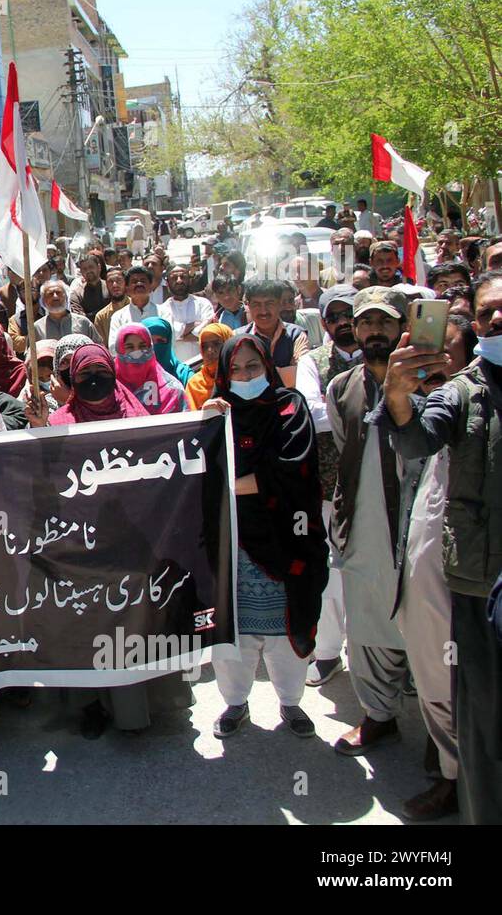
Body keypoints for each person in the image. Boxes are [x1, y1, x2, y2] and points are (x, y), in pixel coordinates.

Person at [373, 269, 502, 823]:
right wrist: (399, 399)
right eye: (487, 311)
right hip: (479, 589)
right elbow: (417, 434)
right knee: (486, 730)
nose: (497, 318)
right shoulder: (465, 393)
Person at [204, 334, 328, 740]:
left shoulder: (290, 406)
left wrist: (234, 486)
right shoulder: (216, 413)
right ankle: (235, 703)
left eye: (253, 367)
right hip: (233, 544)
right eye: (235, 369)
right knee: (235, 633)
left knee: (282, 629)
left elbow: (292, 469)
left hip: (285, 539)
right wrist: (204, 425)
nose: (244, 376)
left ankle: (291, 703)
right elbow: (197, 471)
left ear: (267, 367)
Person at [389, 315, 474, 821]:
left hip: (476, 577)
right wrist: (399, 394)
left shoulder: (479, 401)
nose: (434, 365)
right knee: (436, 678)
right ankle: (451, 774)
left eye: (447, 355)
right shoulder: (417, 409)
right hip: (422, 577)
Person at [326, 288, 415, 758]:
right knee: (366, 622)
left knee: (426, 622)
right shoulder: (342, 388)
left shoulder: (432, 379)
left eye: (385, 322)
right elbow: (346, 453)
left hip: (418, 523)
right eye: (366, 323)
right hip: (363, 521)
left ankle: (444, 735)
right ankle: (379, 716)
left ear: (403, 327)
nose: (374, 332)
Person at [293, 285, 363, 688]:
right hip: (327, 486)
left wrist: (335, 408)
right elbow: (311, 413)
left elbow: (326, 412)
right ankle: (329, 653)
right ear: (324, 322)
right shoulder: (314, 361)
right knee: (331, 576)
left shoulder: (382, 355)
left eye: (350, 314)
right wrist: (369, 408)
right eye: (334, 316)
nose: (343, 322)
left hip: (377, 484)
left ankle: (385, 655)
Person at [236, 280, 310, 388]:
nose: (263, 311)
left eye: (269, 303)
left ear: (280, 304)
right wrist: (283, 373)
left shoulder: (296, 335)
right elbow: (236, 377)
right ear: (248, 306)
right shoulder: (237, 337)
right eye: (256, 304)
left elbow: (302, 373)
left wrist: (255, 375)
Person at [114, 324, 187, 416]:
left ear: (150, 348)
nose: (137, 353)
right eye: (130, 347)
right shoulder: (110, 387)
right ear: (119, 349)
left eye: (142, 346)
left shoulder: (172, 389)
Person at [159, 265, 215, 364]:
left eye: (183, 277)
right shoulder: (162, 309)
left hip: (202, 364)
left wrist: (179, 335)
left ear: (189, 280)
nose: (179, 281)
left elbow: (208, 333)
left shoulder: (203, 303)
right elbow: (168, 334)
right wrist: (193, 326)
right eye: (174, 278)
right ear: (167, 284)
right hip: (175, 368)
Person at [107, 266, 163, 347]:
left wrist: (130, 344)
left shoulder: (164, 313)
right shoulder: (118, 317)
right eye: (134, 281)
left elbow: (168, 341)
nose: (139, 284)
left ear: (151, 286)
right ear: (127, 288)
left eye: (143, 281)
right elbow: (113, 347)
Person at [183, 323, 233, 411]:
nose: (210, 351)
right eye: (204, 346)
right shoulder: (195, 384)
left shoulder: (241, 376)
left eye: (217, 344)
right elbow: (190, 419)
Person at [35, 278, 98, 343]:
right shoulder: (37, 328)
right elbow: (30, 352)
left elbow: (98, 349)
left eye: (58, 292)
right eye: (50, 294)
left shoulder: (83, 323)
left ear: (66, 297)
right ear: (43, 300)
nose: (55, 297)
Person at [144, 316, 194, 387]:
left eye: (160, 341)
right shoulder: (133, 377)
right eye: (150, 342)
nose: (155, 347)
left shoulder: (184, 375)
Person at [92, 267, 130, 342]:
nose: (114, 285)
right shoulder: (101, 317)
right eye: (110, 281)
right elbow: (103, 346)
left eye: (118, 280)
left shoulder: (137, 306)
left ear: (125, 282)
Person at [69, 253, 110, 319]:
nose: (88, 271)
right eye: (84, 269)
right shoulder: (77, 294)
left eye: (91, 267)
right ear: (81, 272)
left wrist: (89, 314)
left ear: (99, 267)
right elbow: (80, 319)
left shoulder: (110, 287)